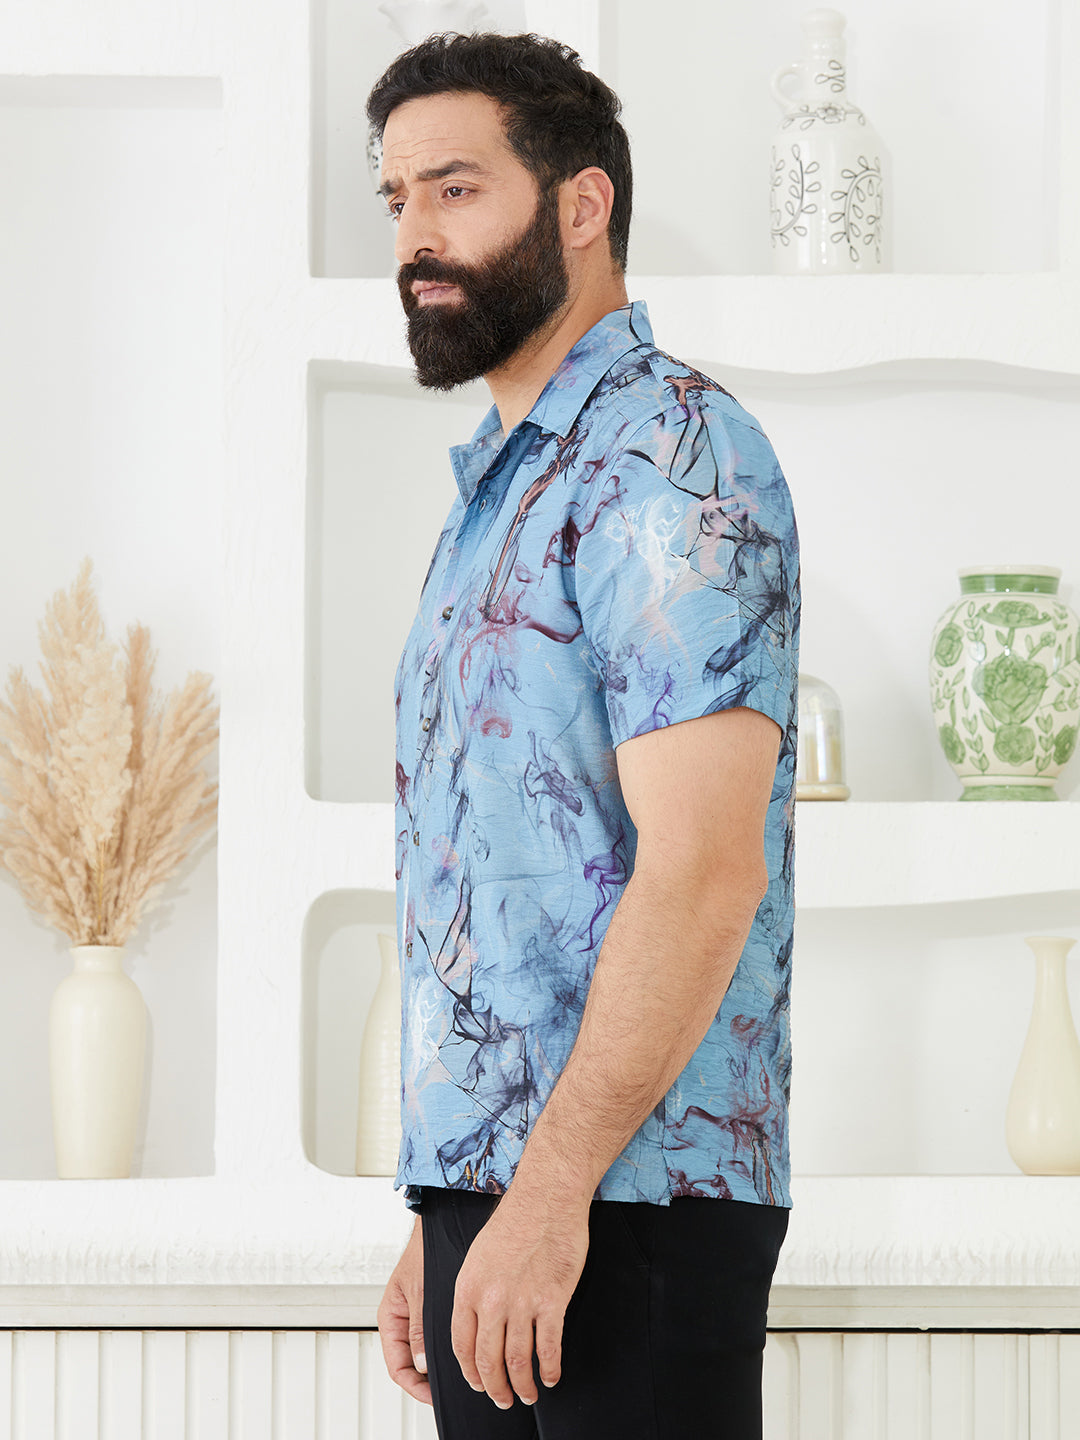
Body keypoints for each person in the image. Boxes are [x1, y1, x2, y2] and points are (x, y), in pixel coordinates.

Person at [365, 31, 800, 1440]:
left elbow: (703, 871)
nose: (416, 239)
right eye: (397, 201)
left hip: (635, 1201)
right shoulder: (499, 492)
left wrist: (546, 1192)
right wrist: (451, 1200)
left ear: (581, 205)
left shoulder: (672, 456)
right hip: (509, 1199)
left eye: (455, 189)